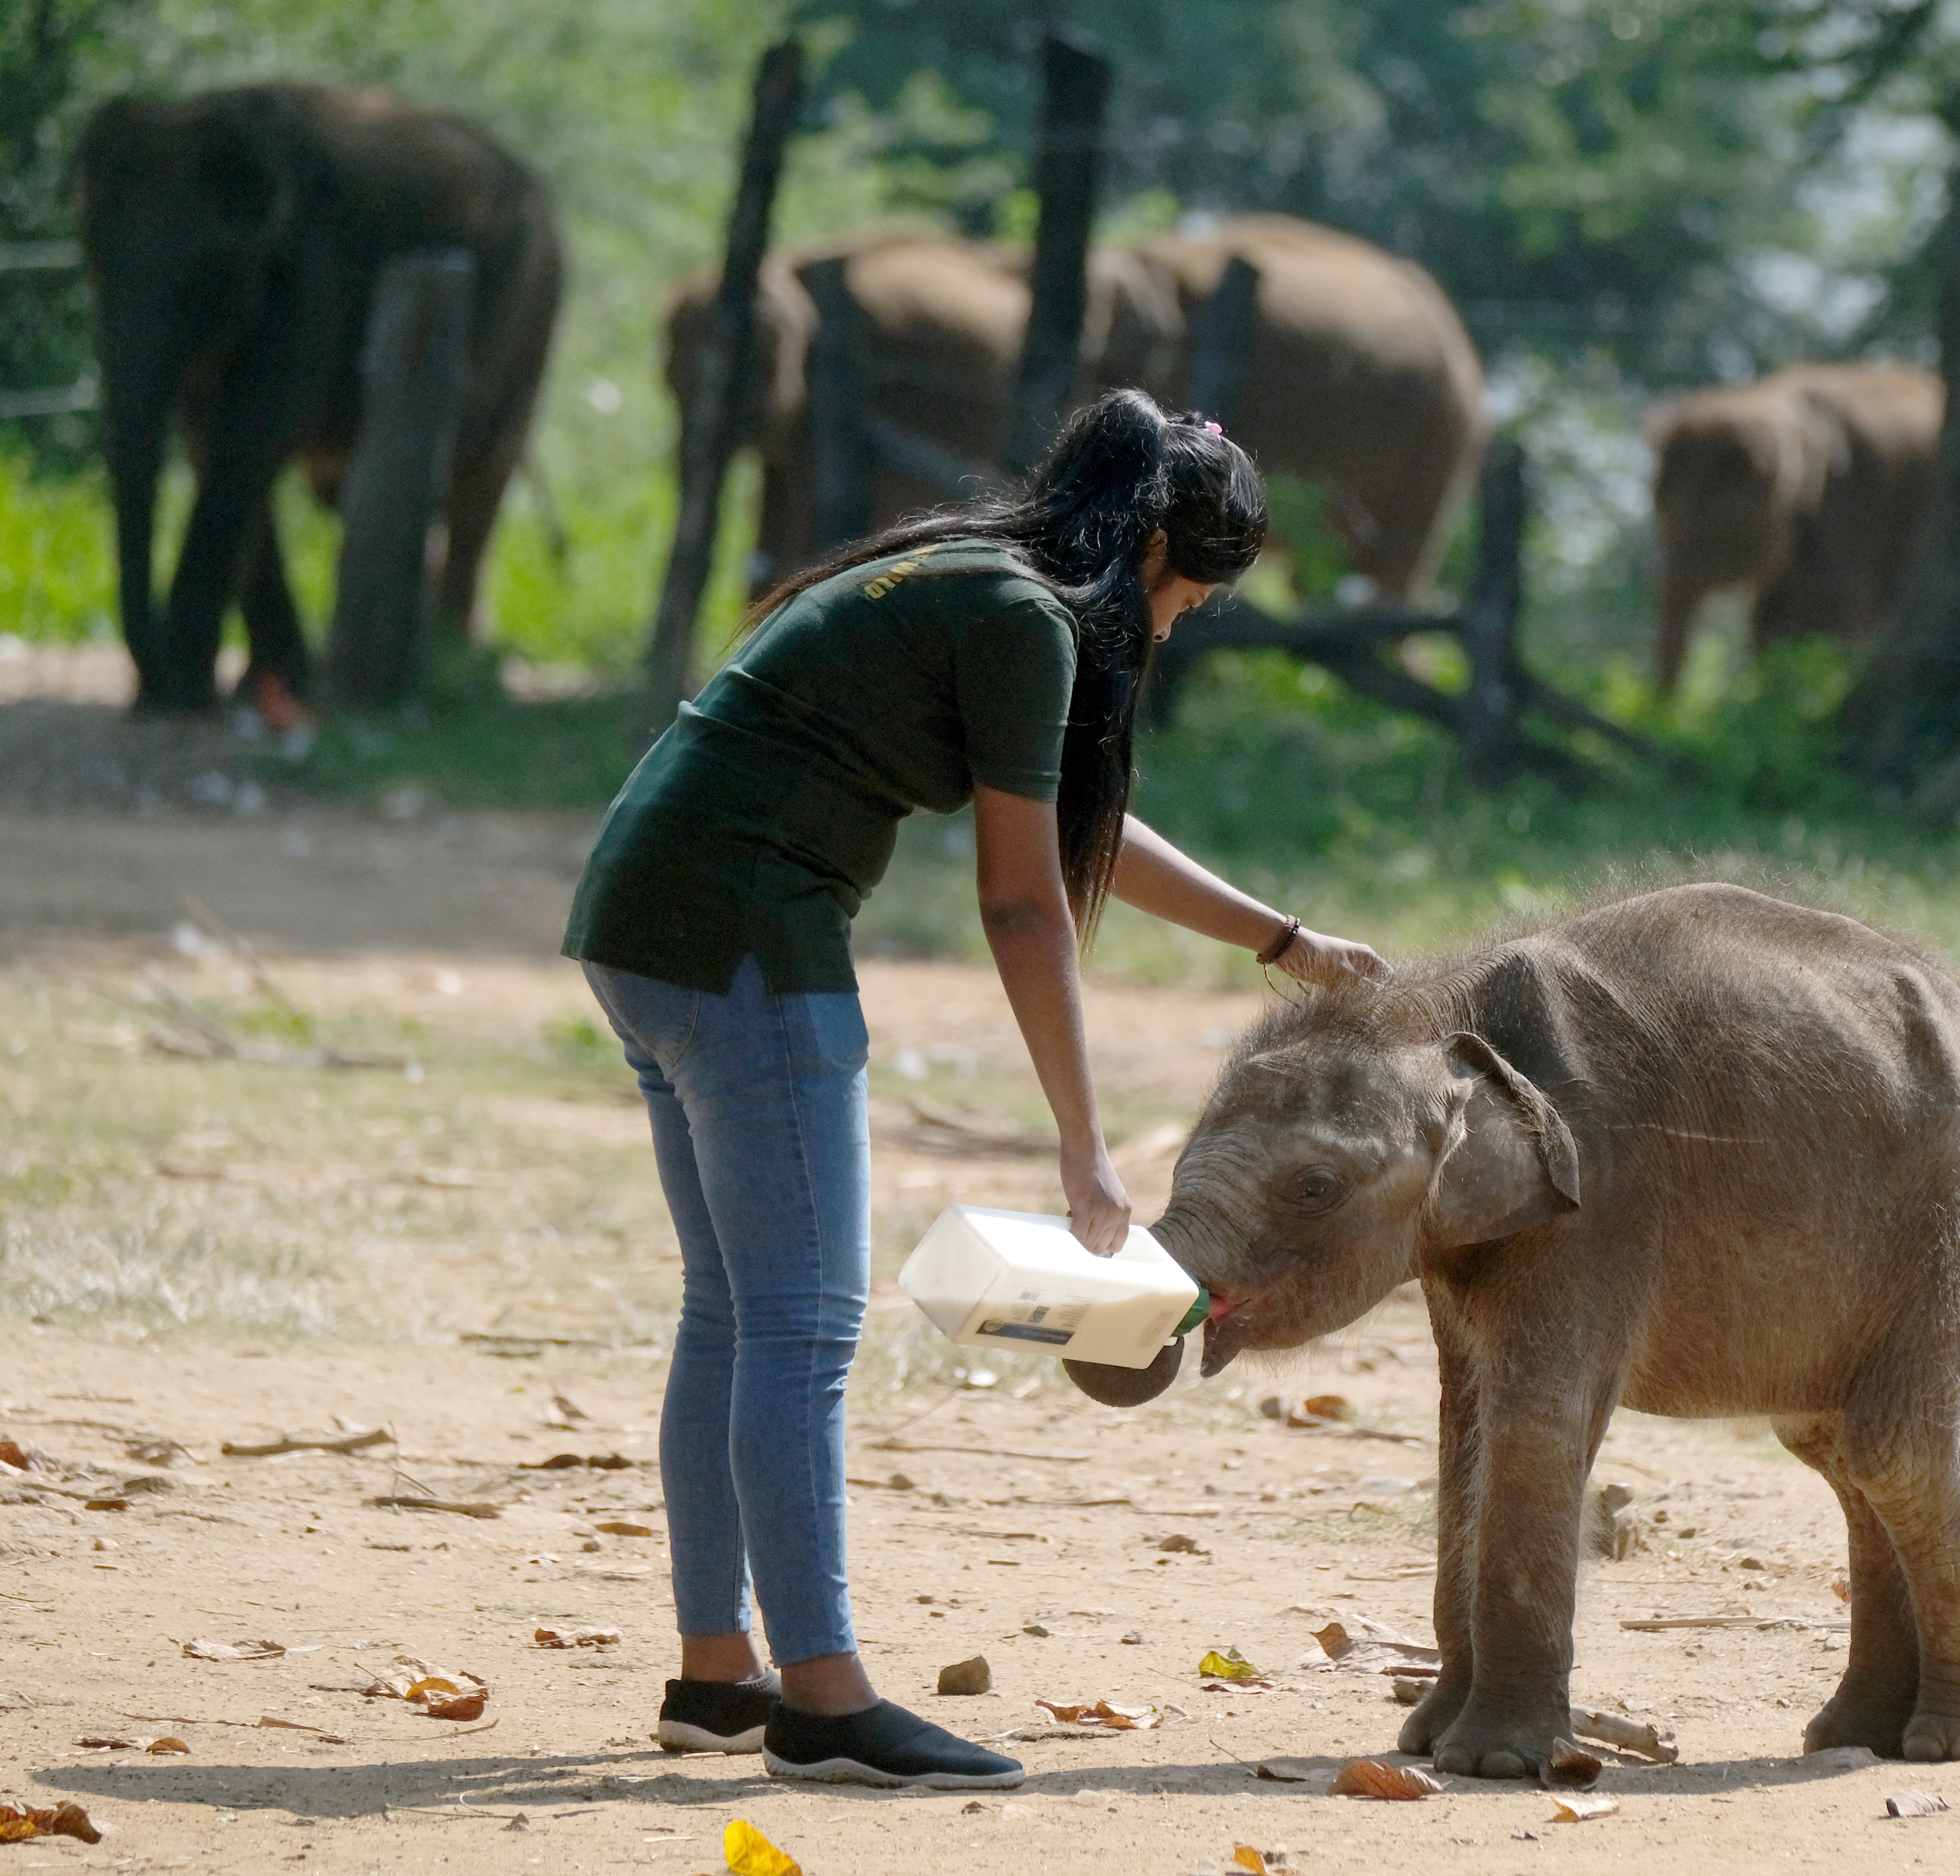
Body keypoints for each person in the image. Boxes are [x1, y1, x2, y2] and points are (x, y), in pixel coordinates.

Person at [562, 389, 1386, 1791]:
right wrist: (1085, 1147)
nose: (1182, 627)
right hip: (748, 939)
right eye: (1195, 598)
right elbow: (1024, 906)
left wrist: (1283, 943)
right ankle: (823, 1701)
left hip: (641, 923)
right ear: (1157, 553)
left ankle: (719, 1677)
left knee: (736, 1312)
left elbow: (1083, 832)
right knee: (809, 1329)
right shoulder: (1030, 623)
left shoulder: (974, 575)